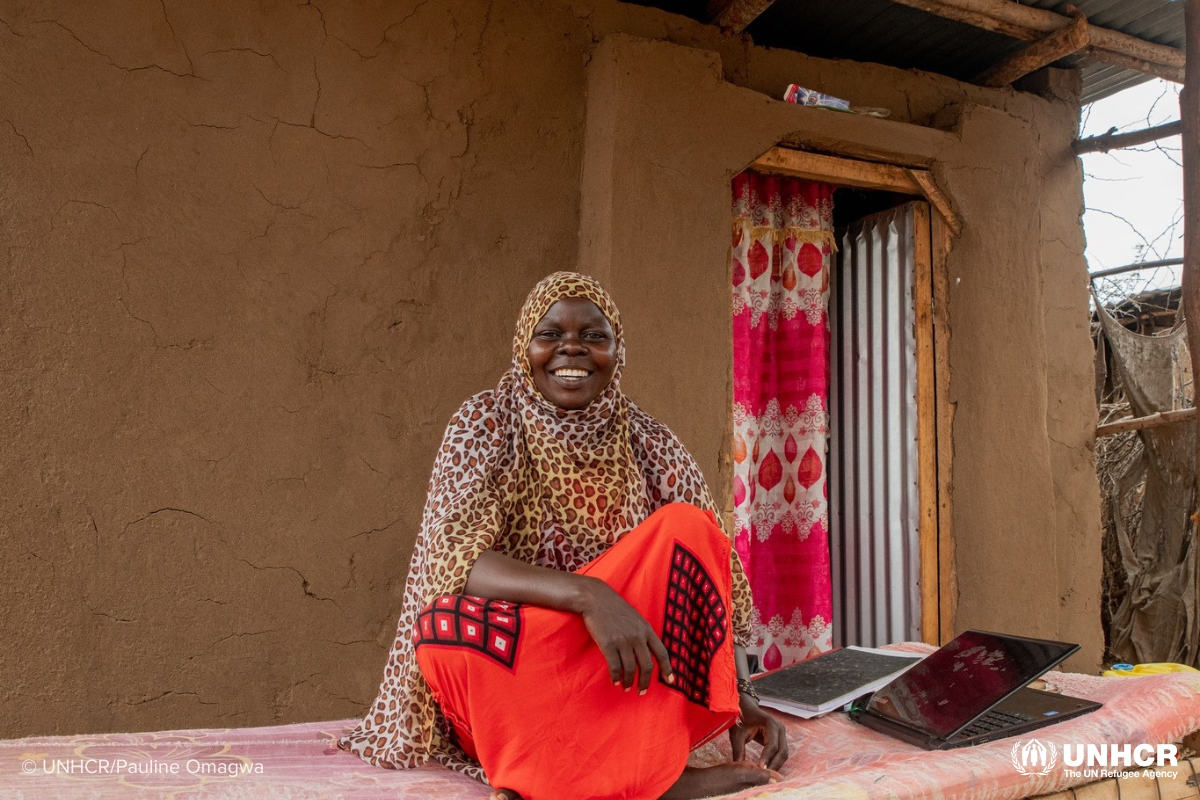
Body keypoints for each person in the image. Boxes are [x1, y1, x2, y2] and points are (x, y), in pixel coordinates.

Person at [340, 272, 789, 800]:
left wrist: (744, 696)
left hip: (619, 662)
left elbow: (719, 572)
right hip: (532, 653)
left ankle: (597, 771)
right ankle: (647, 778)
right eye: (550, 334)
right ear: (524, 347)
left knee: (688, 526)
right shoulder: (486, 423)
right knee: (442, 627)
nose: (571, 348)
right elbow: (453, 562)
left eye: (594, 336)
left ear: (617, 352)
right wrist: (588, 597)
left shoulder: (649, 441)